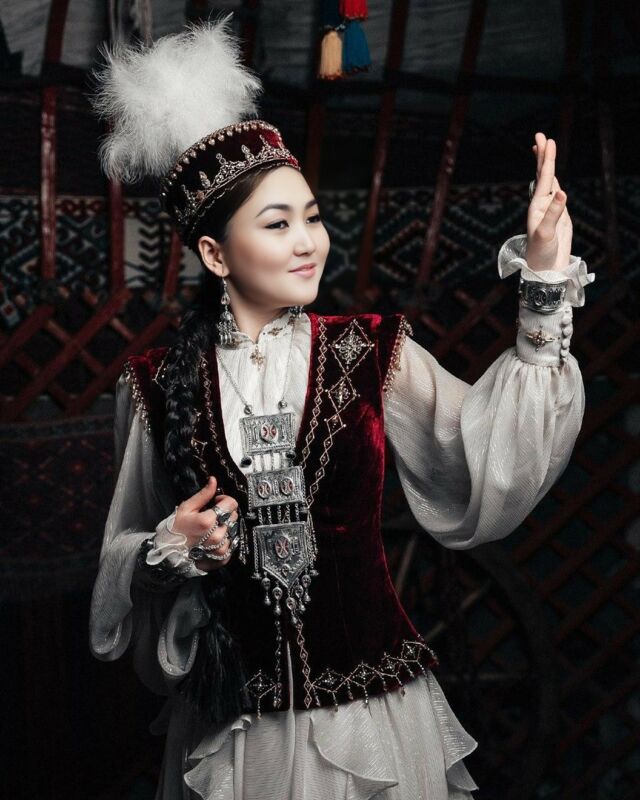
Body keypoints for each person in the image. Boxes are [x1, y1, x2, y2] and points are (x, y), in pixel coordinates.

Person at [88, 14, 595, 800]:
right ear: (215, 254)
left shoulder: (371, 351)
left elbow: (490, 452)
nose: (307, 242)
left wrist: (542, 281)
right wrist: (169, 548)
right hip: (239, 734)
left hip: (375, 723)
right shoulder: (155, 386)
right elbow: (116, 568)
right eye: (277, 224)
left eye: (313, 218)